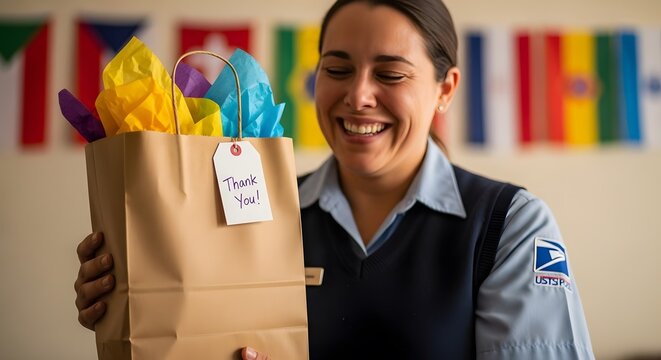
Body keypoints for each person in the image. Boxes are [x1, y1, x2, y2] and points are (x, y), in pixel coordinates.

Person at [74, 0, 595, 359]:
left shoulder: (508, 226)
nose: (358, 96)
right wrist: (130, 291)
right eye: (338, 69)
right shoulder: (257, 209)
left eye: (390, 74)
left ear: (445, 88)